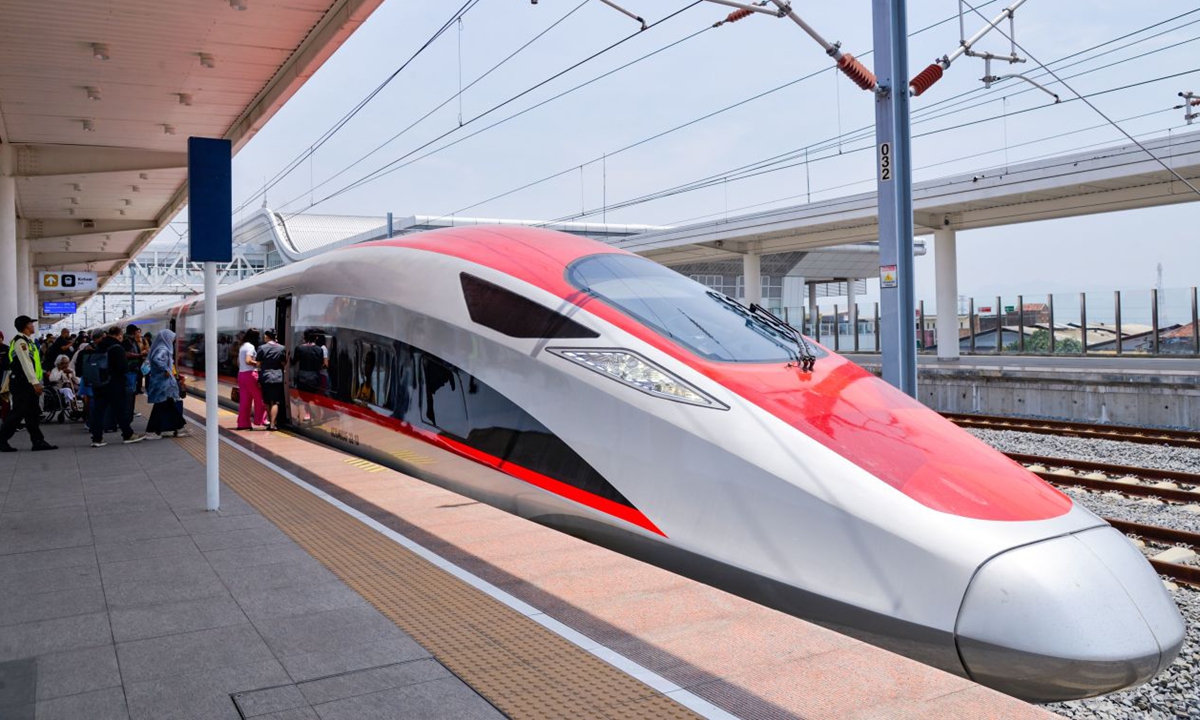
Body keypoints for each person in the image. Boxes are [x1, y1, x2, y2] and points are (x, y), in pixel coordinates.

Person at [0, 316, 58, 452]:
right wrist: (35, 383)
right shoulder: (20, 342)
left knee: (32, 413)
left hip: (26, 383)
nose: (33, 326)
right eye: (31, 323)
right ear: (26, 326)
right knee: (17, 413)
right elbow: (26, 364)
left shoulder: (28, 342)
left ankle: (38, 441)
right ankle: (2, 440)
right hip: (23, 383)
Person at [86, 326, 145, 448]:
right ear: (119, 335)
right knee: (120, 410)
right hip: (114, 384)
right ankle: (128, 435)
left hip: (99, 384)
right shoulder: (117, 348)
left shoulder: (99, 346)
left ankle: (97, 439)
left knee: (98, 411)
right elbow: (123, 368)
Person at [144, 328, 188, 439]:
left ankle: (179, 428)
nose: (173, 341)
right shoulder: (163, 348)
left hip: (161, 383)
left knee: (167, 405)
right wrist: (166, 370)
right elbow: (157, 359)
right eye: (172, 338)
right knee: (161, 406)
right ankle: (151, 431)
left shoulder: (159, 347)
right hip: (163, 384)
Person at [256, 329, 287, 431]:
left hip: (265, 376)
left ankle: (270, 422)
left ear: (267, 336)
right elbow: (283, 363)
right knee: (275, 402)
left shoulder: (262, 348)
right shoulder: (282, 348)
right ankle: (273, 424)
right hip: (277, 376)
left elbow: (258, 364)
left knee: (267, 401)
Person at [236, 328, 266, 430]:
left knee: (245, 401)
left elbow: (238, 362)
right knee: (260, 399)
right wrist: (259, 364)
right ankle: (259, 421)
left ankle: (243, 423)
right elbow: (248, 360)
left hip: (241, 375)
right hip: (250, 375)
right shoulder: (250, 347)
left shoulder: (242, 346)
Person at [122, 324, 146, 424]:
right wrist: (140, 354)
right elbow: (126, 354)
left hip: (133, 369)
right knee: (129, 393)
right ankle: (127, 414)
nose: (138, 334)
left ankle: (128, 412)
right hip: (130, 370)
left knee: (130, 392)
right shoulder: (127, 341)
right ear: (134, 332)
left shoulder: (130, 340)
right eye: (137, 332)